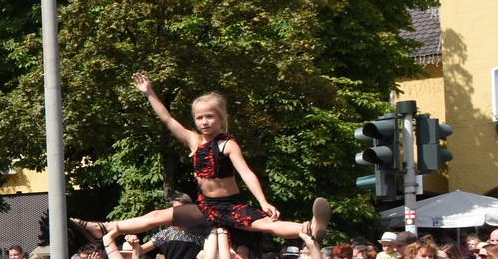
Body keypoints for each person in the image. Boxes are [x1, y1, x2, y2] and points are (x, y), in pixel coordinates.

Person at [80, 74, 330, 242]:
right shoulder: (194, 141)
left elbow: (246, 173)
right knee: (157, 216)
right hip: (205, 207)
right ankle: (104, 227)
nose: (204, 122)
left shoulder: (228, 144)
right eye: (200, 118)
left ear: (220, 117)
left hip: (231, 205)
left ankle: (308, 228)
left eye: (210, 116)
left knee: (266, 224)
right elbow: (167, 119)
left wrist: (263, 202)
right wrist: (149, 93)